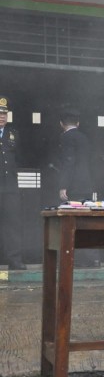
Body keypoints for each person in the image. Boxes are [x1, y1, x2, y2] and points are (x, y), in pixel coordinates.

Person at [56, 107, 101, 268]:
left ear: (61, 124)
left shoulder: (66, 138)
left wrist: (63, 186)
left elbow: (69, 162)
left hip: (74, 187)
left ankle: (78, 259)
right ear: (78, 123)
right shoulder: (84, 137)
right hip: (86, 184)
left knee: (72, 223)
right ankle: (93, 258)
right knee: (86, 222)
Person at [0, 96, 26, 270]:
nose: (2, 117)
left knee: (12, 224)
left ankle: (14, 259)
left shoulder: (13, 133)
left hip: (10, 186)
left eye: (4, 113)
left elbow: (20, 157)